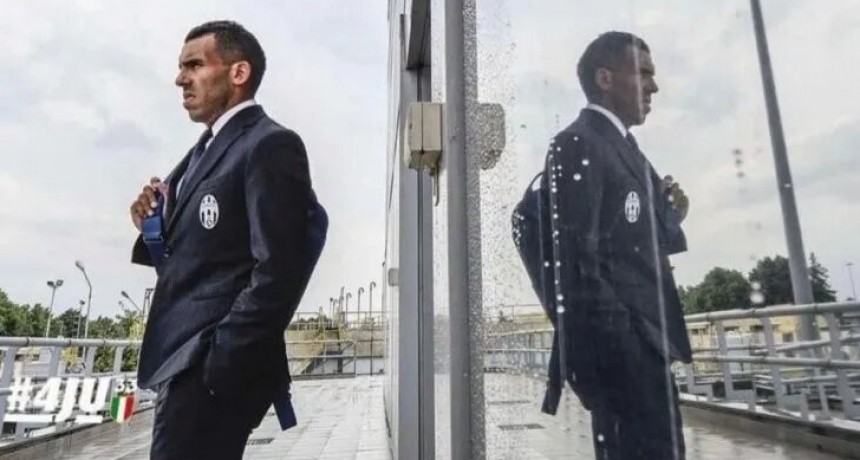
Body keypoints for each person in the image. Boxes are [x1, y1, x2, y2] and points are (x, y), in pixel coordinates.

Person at [128, 20, 312, 459]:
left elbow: (279, 271)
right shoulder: (204, 150)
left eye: (194, 65)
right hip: (181, 361)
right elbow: (203, 257)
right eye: (181, 67)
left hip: (209, 368)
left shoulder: (270, 145)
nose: (180, 78)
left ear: (238, 72)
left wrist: (218, 361)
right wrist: (155, 224)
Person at [548, 31, 691, 459]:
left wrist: (671, 217)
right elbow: (579, 266)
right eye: (643, 73)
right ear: (605, 79)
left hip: (647, 352)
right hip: (626, 361)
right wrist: (631, 352)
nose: (654, 86)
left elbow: (628, 246)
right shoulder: (579, 142)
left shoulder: (624, 146)